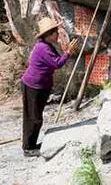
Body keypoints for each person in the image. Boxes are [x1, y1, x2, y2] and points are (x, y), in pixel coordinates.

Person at [20, 17, 77, 157]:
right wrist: (68, 52)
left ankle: (31, 144)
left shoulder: (47, 46)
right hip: (33, 86)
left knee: (36, 116)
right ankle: (28, 147)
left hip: (39, 86)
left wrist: (67, 53)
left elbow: (57, 61)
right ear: (48, 34)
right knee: (33, 117)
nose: (57, 34)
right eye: (55, 32)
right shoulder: (43, 48)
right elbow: (57, 63)